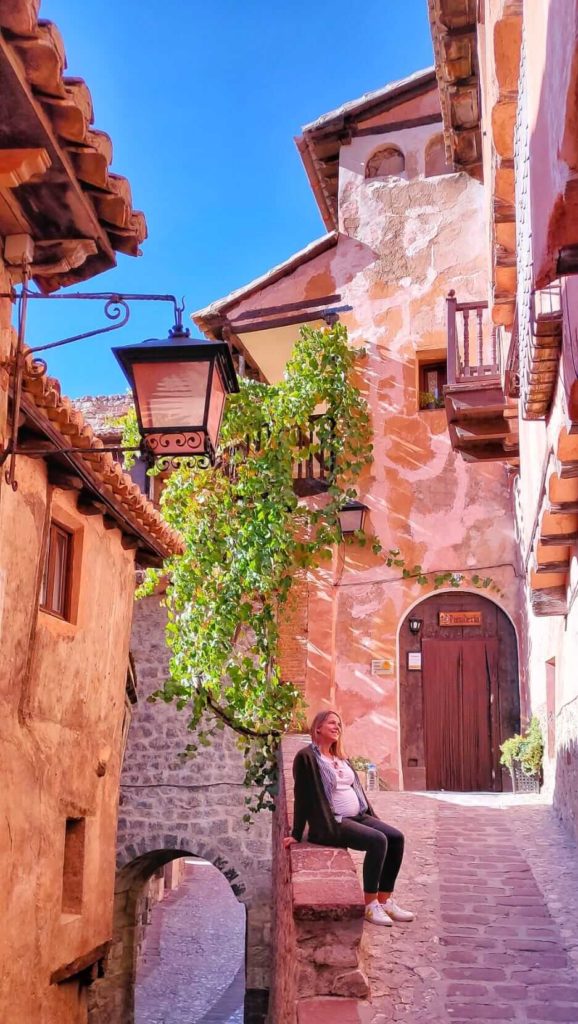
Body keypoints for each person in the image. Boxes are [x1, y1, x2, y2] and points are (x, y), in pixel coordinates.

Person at [283, 709, 414, 927]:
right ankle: (370, 904)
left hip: (359, 816)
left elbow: (356, 789)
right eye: (332, 723)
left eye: (339, 724)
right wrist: (296, 833)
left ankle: (384, 900)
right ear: (318, 728)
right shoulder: (306, 757)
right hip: (331, 822)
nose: (337, 727)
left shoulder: (341, 757)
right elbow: (302, 796)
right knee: (377, 841)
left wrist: (370, 815)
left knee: (396, 838)